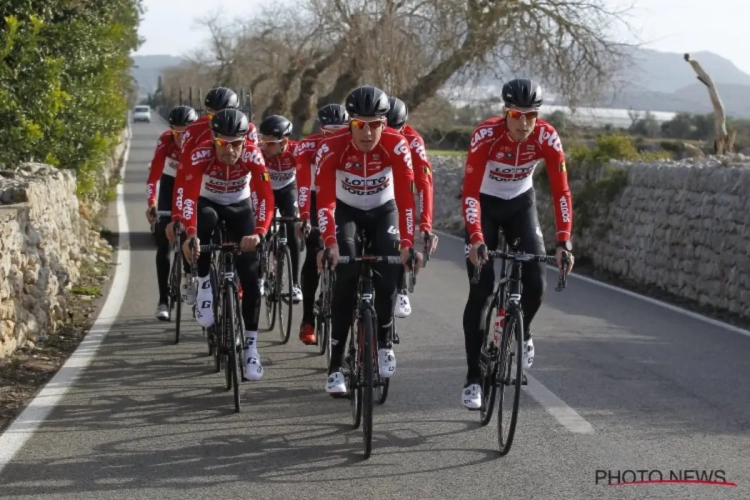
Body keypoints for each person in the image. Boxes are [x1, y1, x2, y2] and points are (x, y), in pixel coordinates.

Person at [460, 78, 575, 409]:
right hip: (485, 203)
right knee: (481, 289)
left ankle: (524, 331)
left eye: (530, 115)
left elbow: (561, 192)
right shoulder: (485, 135)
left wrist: (564, 241)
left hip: (521, 204)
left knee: (536, 283)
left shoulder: (547, 137)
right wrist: (477, 238)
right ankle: (472, 378)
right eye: (516, 115)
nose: (524, 123)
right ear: (504, 112)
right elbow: (469, 193)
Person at [314, 85, 424, 395]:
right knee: (346, 278)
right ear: (350, 123)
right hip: (346, 209)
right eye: (360, 124)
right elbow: (324, 201)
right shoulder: (331, 147)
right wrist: (330, 241)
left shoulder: (396, 145)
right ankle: (335, 367)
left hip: (383, 209)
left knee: (390, 273)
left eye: (375, 124)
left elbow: (405, 200)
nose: (367, 132)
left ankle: (385, 341)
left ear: (384, 124)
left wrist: (407, 243)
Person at [173, 108, 275, 380]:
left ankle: (251, 347)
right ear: (214, 139)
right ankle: (205, 285)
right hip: (207, 203)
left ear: (245, 141)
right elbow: (188, 195)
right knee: (203, 219)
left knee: (251, 279)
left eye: (236, 144)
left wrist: (260, 233)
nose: (230, 150)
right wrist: (191, 233)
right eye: (223, 143)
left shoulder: (253, 154)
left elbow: (265, 197)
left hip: (240, 205)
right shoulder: (199, 154)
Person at [167, 86, 240, 305]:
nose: (218, 120)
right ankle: (194, 274)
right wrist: (178, 214)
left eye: (224, 112)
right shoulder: (194, 130)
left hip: (234, 189)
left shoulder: (247, 129)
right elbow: (183, 175)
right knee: (199, 233)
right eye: (211, 115)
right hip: (201, 188)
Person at [295, 103, 349, 345]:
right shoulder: (308, 145)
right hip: (317, 200)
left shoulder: (354, 144)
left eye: (341, 131)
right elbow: (304, 185)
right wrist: (305, 216)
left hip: (345, 199)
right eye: (330, 133)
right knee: (314, 250)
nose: (336, 137)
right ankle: (307, 320)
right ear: (320, 129)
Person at [385, 97, 438, 318]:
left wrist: (425, 225)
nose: (390, 134)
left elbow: (424, 185)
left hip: (399, 191)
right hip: (372, 188)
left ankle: (401, 287)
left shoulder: (413, 140)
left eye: (396, 129)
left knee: (398, 236)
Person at [145, 105, 198, 320]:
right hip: (170, 184)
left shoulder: (201, 143)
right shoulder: (166, 140)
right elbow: (154, 175)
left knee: (189, 233)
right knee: (162, 240)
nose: (182, 138)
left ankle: (189, 273)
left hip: (192, 184)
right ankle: (163, 300)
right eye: (178, 133)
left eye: (186, 133)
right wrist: (152, 203)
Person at [257, 115, 303, 304]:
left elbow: (306, 181)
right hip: (265, 188)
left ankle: (295, 284)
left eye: (270, 144)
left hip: (288, 189)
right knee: (262, 232)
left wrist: (303, 212)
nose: (264, 147)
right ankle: (260, 276)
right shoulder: (259, 153)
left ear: (284, 142)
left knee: (292, 231)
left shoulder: (296, 151)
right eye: (263, 142)